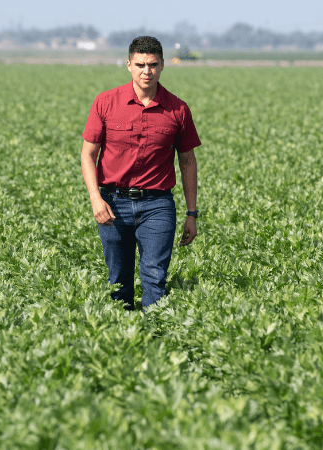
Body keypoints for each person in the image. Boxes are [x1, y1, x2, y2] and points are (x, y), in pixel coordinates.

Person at [80, 36, 201, 311]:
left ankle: (154, 340)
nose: (147, 71)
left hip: (157, 205)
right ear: (128, 65)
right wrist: (95, 200)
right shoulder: (106, 102)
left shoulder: (177, 109)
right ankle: (122, 344)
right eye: (140, 65)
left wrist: (191, 213)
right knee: (118, 282)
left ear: (162, 66)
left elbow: (188, 162)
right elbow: (88, 154)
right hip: (113, 203)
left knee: (155, 278)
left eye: (153, 65)